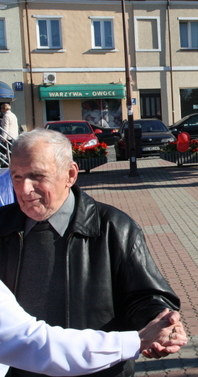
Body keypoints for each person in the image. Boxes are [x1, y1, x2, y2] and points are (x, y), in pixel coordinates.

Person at [0, 128, 181, 377]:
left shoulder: (113, 226)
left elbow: (145, 296)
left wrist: (159, 326)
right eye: (16, 177)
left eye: (36, 176)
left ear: (70, 174)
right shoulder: (2, 225)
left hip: (98, 371)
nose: (25, 189)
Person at [0, 278, 187, 376]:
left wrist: (158, 320)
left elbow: (144, 291)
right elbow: (35, 343)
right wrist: (137, 340)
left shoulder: (112, 224)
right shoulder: (7, 224)